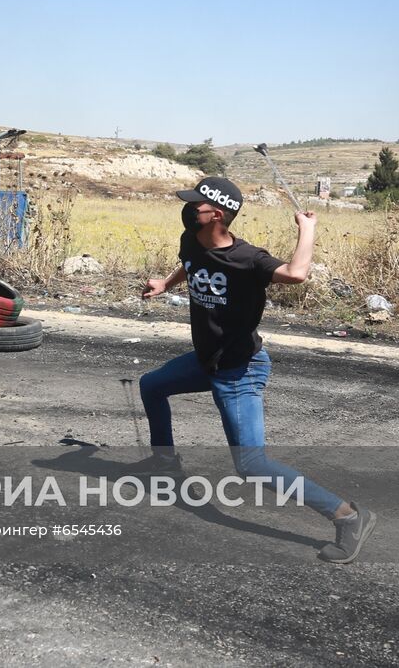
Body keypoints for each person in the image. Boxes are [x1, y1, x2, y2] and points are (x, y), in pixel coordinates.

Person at [137, 176, 377, 564]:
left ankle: (347, 515)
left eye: (194, 205)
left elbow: (297, 274)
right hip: (208, 360)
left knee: (251, 465)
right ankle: (165, 462)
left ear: (216, 215)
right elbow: (188, 264)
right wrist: (165, 283)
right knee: (152, 385)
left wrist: (308, 229)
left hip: (239, 370)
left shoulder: (248, 259)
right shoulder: (192, 240)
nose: (186, 208)